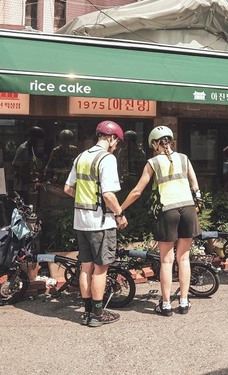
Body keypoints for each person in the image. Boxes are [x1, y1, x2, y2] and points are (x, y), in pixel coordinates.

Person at [120, 125, 201, 316]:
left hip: (168, 211)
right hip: (188, 209)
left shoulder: (153, 162)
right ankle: (183, 302)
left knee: (166, 260)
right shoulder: (184, 158)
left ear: (156, 143)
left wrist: (120, 209)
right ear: (170, 141)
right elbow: (195, 186)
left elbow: (137, 191)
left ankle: (165, 305)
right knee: (184, 258)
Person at [64, 120, 128, 327]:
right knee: (101, 268)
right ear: (112, 138)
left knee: (86, 267)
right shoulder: (107, 159)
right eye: (117, 142)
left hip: (81, 221)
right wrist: (119, 214)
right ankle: (98, 314)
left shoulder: (81, 157)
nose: (116, 146)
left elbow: (68, 189)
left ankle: (87, 312)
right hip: (101, 223)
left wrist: (87, 201)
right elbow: (108, 194)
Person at [12, 126, 45, 205]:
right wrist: (27, 176)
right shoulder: (23, 148)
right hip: (21, 187)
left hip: (28, 185)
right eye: (38, 140)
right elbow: (15, 166)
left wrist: (34, 174)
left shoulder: (31, 148)